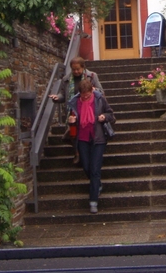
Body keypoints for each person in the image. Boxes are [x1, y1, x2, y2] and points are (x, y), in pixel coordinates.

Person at [67, 78, 115, 214]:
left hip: (98, 138)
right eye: (83, 96)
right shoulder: (75, 102)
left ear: (91, 91)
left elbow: (111, 114)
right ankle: (97, 184)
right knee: (86, 166)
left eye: (87, 95)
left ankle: (93, 201)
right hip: (82, 138)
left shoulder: (99, 99)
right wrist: (71, 121)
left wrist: (104, 117)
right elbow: (72, 120)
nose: (85, 97)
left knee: (95, 169)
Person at [50, 56, 103, 164]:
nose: (76, 71)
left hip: (89, 109)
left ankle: (89, 152)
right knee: (73, 133)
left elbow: (101, 92)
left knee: (87, 132)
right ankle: (77, 153)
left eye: (78, 69)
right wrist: (57, 98)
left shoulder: (92, 76)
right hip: (73, 110)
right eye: (73, 69)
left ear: (83, 67)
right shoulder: (66, 79)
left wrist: (94, 90)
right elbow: (63, 95)